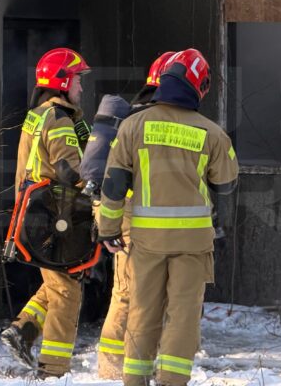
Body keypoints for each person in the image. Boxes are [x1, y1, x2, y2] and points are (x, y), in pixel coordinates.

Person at [98, 48, 239, 386]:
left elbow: (114, 186)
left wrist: (108, 230)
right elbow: (227, 185)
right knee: (183, 315)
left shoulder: (132, 126)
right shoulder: (213, 134)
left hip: (147, 241)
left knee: (143, 312)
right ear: (198, 87)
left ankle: (135, 381)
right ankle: (173, 381)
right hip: (192, 243)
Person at [82, 53, 175, 379]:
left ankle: (126, 365)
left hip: (122, 213)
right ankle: (113, 369)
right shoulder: (154, 120)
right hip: (135, 217)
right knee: (131, 294)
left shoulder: (133, 115)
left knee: (130, 292)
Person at [1, 47, 90, 376]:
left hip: (40, 217)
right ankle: (52, 370)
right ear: (63, 81)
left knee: (58, 281)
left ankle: (22, 329)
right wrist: (102, 193)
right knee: (67, 290)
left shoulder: (40, 113)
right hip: (52, 220)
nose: (81, 87)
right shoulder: (57, 118)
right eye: (78, 79)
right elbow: (71, 171)